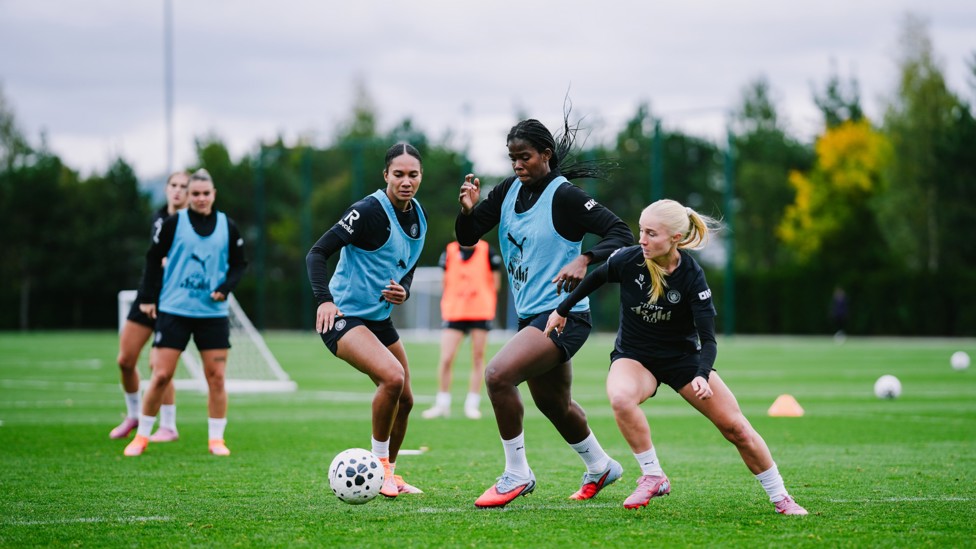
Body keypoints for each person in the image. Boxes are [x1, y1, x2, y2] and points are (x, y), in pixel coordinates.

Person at [544, 199, 808, 515]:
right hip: (635, 356)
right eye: (641, 230)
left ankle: (781, 497)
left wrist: (701, 373)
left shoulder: (692, 277)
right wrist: (561, 311)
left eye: (651, 233)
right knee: (620, 397)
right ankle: (653, 475)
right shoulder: (629, 260)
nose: (641, 239)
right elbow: (595, 278)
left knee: (736, 428)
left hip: (683, 360)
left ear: (675, 239)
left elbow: (708, 339)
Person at [456, 114, 634, 508]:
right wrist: (468, 212)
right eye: (512, 158)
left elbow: (621, 232)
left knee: (498, 376)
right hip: (530, 316)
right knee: (555, 404)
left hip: (565, 314)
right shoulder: (507, 191)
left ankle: (516, 474)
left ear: (546, 155)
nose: (518, 165)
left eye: (525, 157)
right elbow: (467, 239)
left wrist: (586, 258)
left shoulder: (565, 195)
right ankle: (601, 465)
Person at [306, 142, 428, 498]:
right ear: (386, 175)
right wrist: (324, 301)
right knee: (392, 378)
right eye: (399, 174)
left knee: (405, 398)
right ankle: (380, 471)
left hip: (378, 319)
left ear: (421, 176)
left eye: (413, 174)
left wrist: (403, 290)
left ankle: (390, 472)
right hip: (344, 316)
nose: (406, 181)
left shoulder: (418, 216)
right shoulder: (367, 211)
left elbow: (408, 265)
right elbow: (317, 252)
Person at [123, 168, 248, 457]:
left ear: (214, 194)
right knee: (161, 375)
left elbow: (240, 264)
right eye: (195, 194)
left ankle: (216, 440)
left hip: (212, 315)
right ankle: (141, 436)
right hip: (174, 310)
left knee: (216, 376)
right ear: (188, 196)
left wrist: (225, 287)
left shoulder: (227, 226)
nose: (201, 198)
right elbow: (153, 259)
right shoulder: (173, 223)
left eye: (206, 193)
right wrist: (148, 297)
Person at [110, 171, 188, 443]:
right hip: (147, 297)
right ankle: (133, 415)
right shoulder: (158, 218)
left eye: (183, 187)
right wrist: (148, 295)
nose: (178, 190)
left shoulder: (193, 224)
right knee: (125, 360)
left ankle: (168, 425)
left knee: (161, 368)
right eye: (173, 185)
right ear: (167, 189)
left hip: (173, 302)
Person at [422, 239, 502, 420]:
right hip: (454, 312)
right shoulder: (449, 251)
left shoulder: (487, 251)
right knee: (446, 358)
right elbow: (445, 281)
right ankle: (442, 403)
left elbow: (496, 284)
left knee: (478, 357)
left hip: (480, 310)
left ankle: (472, 404)